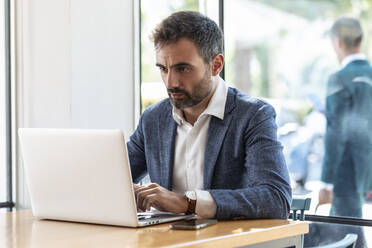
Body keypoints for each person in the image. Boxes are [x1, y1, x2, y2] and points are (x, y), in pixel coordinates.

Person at [127, 11, 291, 220]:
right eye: (163, 69)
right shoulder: (153, 119)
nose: (170, 82)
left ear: (216, 65)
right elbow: (113, 177)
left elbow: (276, 199)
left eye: (183, 69)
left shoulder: (253, 116)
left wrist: (187, 203)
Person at [319, 17, 372, 218]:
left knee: (346, 232)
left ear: (338, 43)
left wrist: (326, 182)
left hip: (346, 170)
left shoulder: (339, 78)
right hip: (367, 165)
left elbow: (335, 131)